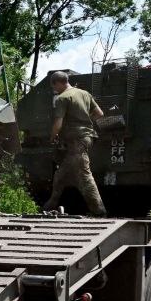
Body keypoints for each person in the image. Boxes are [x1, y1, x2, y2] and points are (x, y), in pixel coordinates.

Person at [42, 70, 106, 216]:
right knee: (61, 174)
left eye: (54, 87)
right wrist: (85, 121)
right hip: (85, 138)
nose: (54, 90)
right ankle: (49, 205)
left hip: (76, 141)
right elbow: (99, 113)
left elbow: (58, 123)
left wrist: (52, 137)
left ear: (57, 83)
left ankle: (100, 211)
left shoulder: (62, 98)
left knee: (84, 175)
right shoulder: (84, 94)